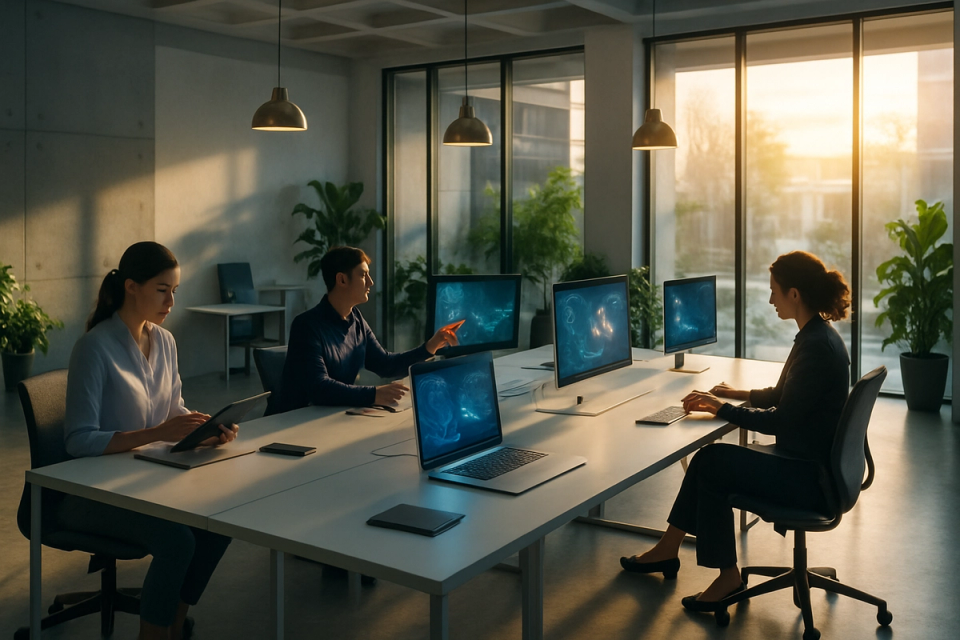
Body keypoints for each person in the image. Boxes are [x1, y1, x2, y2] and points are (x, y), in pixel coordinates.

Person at [619, 251, 851, 612]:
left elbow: (780, 420)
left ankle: (727, 575)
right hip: (813, 465)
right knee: (709, 459)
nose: (770, 299)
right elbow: (781, 395)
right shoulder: (816, 336)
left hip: (808, 478)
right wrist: (733, 394)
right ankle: (667, 549)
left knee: (712, 463)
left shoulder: (815, 347)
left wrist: (721, 409)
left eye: (774, 291)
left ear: (794, 294)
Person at [62, 242, 236, 640]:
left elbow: (172, 408)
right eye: (162, 289)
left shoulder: (165, 342)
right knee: (176, 539)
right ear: (131, 287)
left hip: (144, 481)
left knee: (220, 521)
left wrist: (202, 429)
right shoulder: (94, 348)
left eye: (175, 290)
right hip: (89, 494)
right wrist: (158, 434)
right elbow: (78, 440)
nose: (171, 301)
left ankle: (172, 621)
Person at [275, 246, 461, 413]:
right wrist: (373, 394)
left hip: (330, 418)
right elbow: (319, 388)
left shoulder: (356, 319)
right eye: (363, 275)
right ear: (341, 279)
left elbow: (386, 364)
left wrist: (431, 346)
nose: (370, 282)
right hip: (292, 424)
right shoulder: (306, 325)